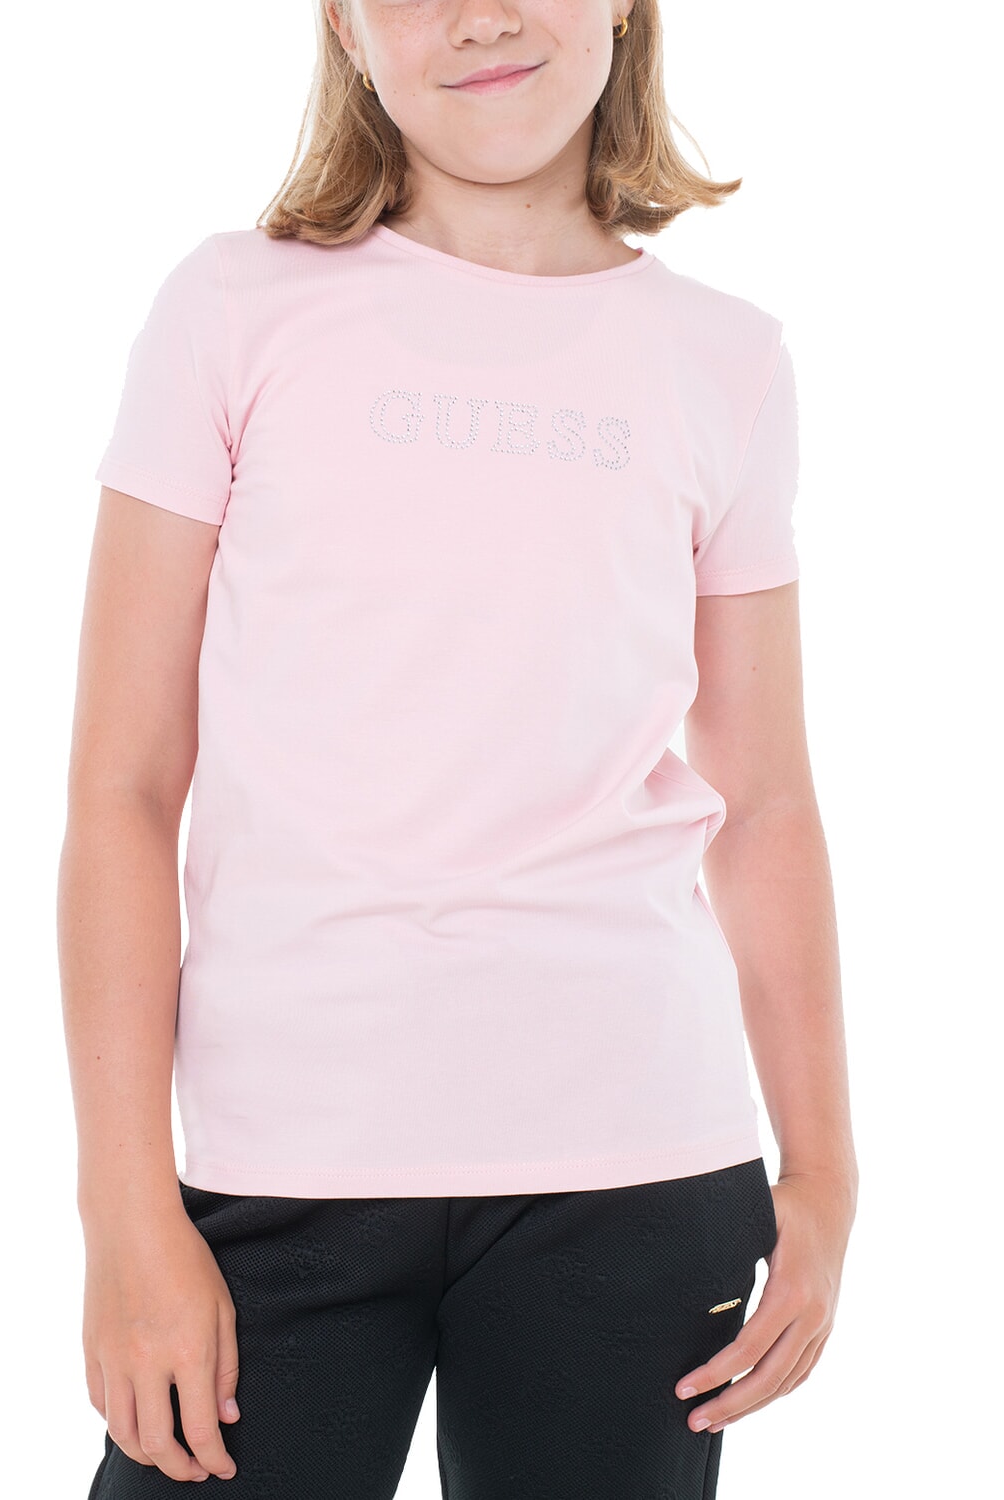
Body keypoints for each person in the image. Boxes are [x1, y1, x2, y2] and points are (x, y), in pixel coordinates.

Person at [58, 2, 858, 1496]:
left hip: (635, 1165)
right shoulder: (232, 311)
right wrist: (123, 1211)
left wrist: (822, 1171)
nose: (481, 13)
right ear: (347, 25)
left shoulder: (727, 361)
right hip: (280, 1168)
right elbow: (124, 788)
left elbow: (763, 801)